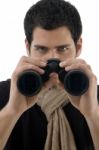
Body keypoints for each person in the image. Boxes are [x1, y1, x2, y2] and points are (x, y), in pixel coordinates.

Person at [0, 0, 99, 149]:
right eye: (41, 49)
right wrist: (12, 110)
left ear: (78, 47)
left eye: (63, 49)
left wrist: (93, 115)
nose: (52, 59)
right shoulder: (4, 94)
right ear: (28, 47)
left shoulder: (93, 96)